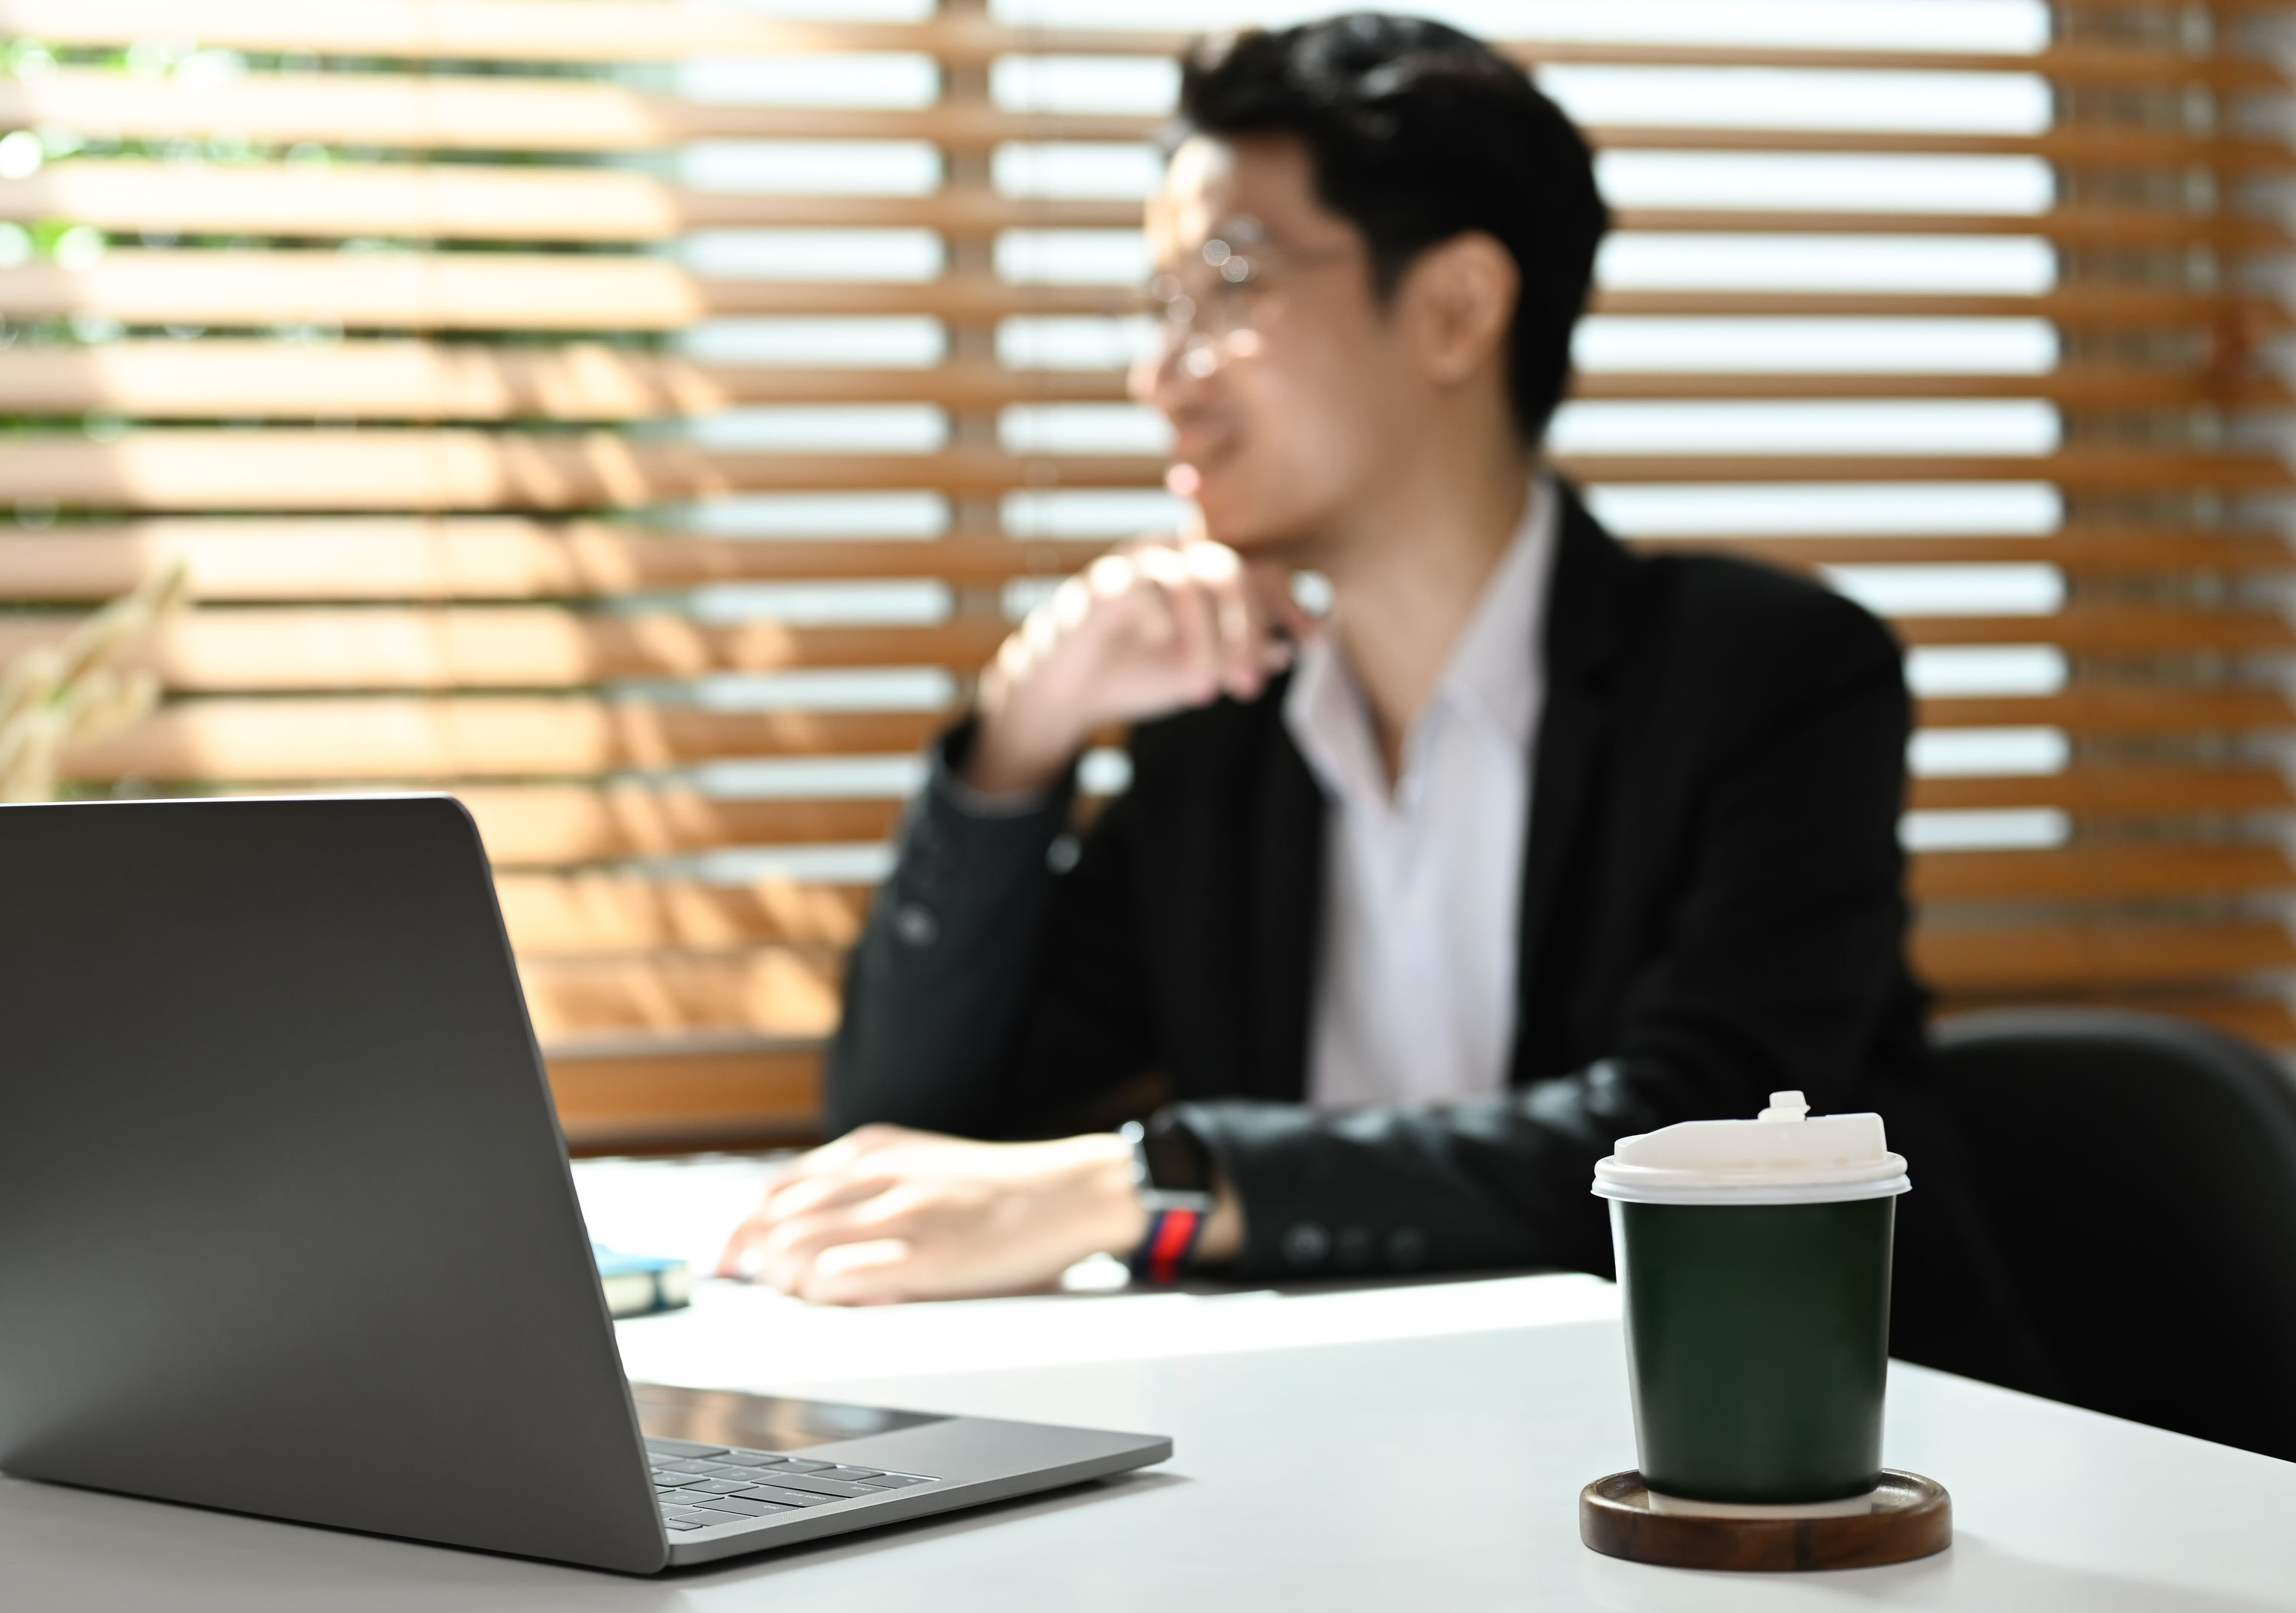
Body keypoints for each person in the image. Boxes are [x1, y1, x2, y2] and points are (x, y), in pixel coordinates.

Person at [716, 12, 2050, 1387]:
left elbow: (1700, 1133)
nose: (1158, 378)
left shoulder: (1768, 674)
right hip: (1379, 1443)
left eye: (1225, 285)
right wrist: (1018, 741)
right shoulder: (1228, 724)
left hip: (1783, 1463)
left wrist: (1156, 1183)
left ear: (1456, 310)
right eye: (1157, 304)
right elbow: (911, 1126)